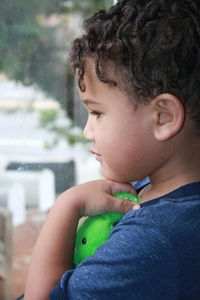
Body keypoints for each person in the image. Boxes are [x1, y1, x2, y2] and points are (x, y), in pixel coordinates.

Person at [24, 0, 200, 299]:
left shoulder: (150, 239)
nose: (87, 131)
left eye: (96, 113)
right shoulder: (154, 192)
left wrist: (67, 207)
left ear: (163, 117)